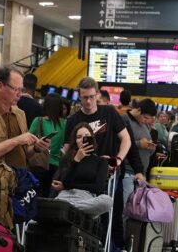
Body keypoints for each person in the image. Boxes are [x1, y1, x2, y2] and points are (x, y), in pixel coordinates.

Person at [64, 76, 131, 249]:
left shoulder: (108, 113)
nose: (88, 101)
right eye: (84, 97)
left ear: (98, 95)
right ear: (79, 97)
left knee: (112, 214)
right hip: (83, 174)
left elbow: (126, 139)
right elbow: (67, 150)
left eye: (92, 97)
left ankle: (111, 246)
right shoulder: (73, 120)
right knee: (83, 215)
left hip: (108, 171)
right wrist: (74, 161)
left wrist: (118, 160)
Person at [0, 65, 50, 167]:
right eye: (16, 89)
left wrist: (36, 148)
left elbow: (25, 153)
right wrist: (16, 141)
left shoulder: (20, 114)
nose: (19, 94)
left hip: (18, 179)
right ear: (0, 86)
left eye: (21, 90)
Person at [52, 123, 112, 218]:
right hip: (65, 196)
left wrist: (71, 186)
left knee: (107, 201)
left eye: (87, 136)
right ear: (75, 141)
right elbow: (66, 183)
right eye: (79, 137)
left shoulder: (100, 161)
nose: (83, 139)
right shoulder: (67, 159)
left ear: (92, 139)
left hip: (85, 200)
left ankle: (65, 208)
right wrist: (76, 160)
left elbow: (98, 188)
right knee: (31, 223)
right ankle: (64, 208)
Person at [29, 93, 66, 197]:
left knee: (36, 195)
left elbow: (28, 139)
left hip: (39, 164)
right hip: (56, 166)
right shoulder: (64, 124)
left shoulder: (38, 120)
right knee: (50, 195)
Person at [120, 98, 157, 203]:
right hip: (128, 172)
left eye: (148, 119)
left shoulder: (144, 125)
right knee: (127, 208)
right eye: (145, 117)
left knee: (137, 210)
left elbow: (148, 152)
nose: (146, 121)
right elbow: (121, 145)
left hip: (141, 174)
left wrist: (151, 148)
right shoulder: (124, 120)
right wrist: (139, 144)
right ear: (139, 110)